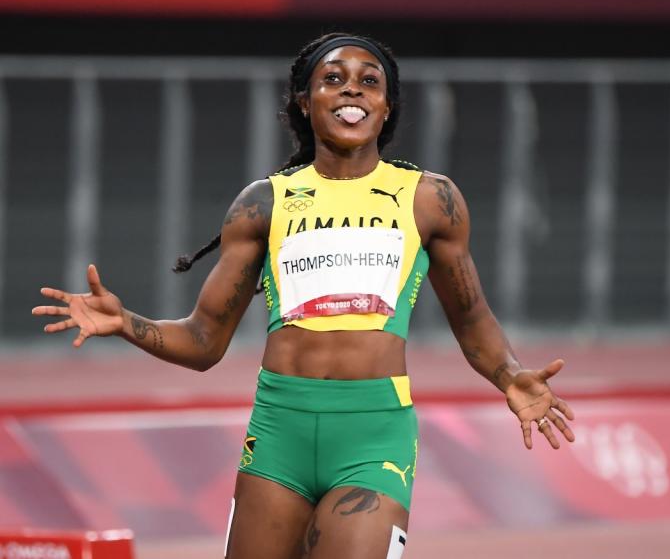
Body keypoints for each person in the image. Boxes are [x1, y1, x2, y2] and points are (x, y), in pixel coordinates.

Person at [32, 33, 576, 559]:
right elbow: (203, 341)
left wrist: (508, 373)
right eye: (332, 79)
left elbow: (472, 315)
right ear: (304, 101)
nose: (352, 90)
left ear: (388, 107)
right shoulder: (264, 203)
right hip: (278, 434)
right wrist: (127, 321)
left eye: (369, 81)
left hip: (373, 436)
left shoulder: (430, 199)